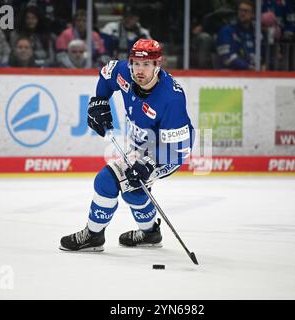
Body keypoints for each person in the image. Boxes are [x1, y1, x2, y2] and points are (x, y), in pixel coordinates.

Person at [60, 39, 194, 252]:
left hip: (169, 151)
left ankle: (94, 235)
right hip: (140, 145)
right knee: (133, 191)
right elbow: (106, 75)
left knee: (107, 180)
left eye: (147, 64)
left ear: (157, 65)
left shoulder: (172, 98)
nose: (139, 70)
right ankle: (150, 233)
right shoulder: (124, 71)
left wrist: (149, 162)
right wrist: (100, 101)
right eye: (136, 63)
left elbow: (177, 147)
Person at [216, 0, 256, 70]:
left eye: (246, 11)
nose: (242, 13)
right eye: (240, 10)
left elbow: (264, 56)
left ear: (253, 14)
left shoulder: (256, 33)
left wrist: (263, 65)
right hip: (231, 75)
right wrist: (248, 67)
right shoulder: (227, 31)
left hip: (254, 74)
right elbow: (226, 58)